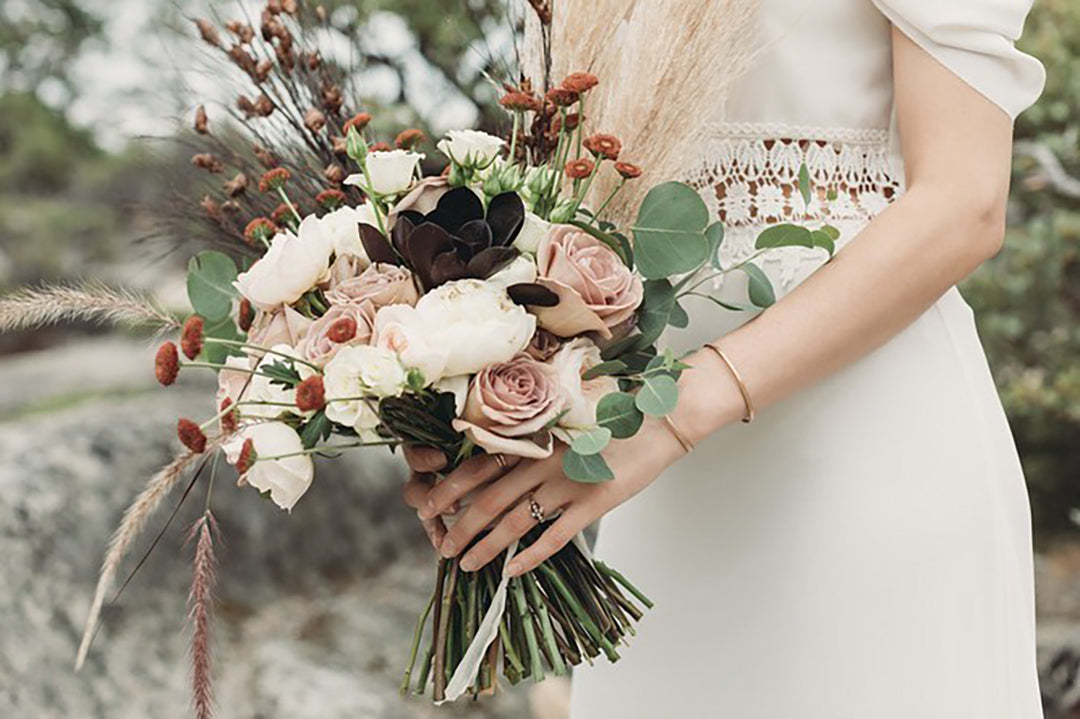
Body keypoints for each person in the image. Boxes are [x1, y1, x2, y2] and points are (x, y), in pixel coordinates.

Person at [403, 0, 1047, 715]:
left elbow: (964, 204)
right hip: (654, 495)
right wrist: (476, 391)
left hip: (862, 454)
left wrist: (669, 414)